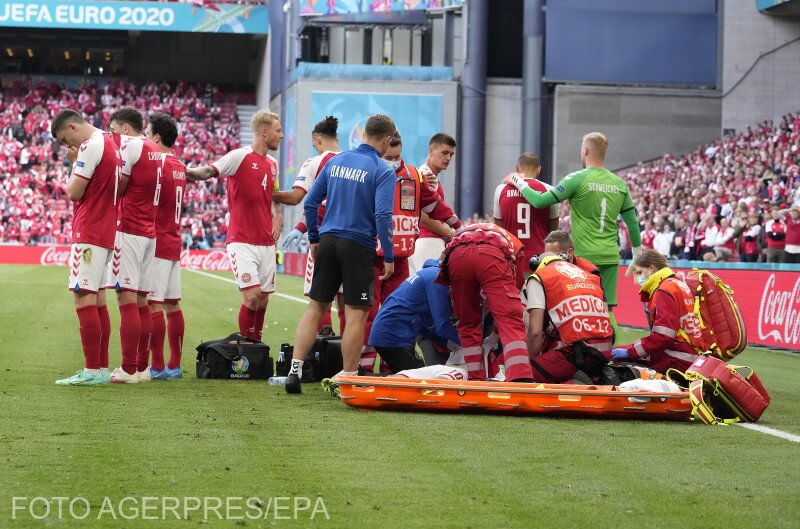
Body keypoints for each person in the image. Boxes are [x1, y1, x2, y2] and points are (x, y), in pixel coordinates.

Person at [285, 114, 397, 394]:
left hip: (328, 238)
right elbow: (383, 216)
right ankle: (347, 377)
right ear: (386, 140)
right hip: (358, 244)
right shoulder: (382, 170)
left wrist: (313, 238)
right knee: (356, 314)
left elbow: (310, 202)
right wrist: (390, 255)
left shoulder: (335, 160)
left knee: (315, 308)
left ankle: (294, 371)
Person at [503, 132, 642, 333]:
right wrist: (637, 254)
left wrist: (518, 181)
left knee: (582, 309)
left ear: (585, 151)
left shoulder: (577, 179)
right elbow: (633, 224)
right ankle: (610, 357)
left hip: (585, 257)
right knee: (606, 310)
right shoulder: (619, 184)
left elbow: (540, 201)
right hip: (610, 256)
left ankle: (582, 356)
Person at [359, 134, 461, 373]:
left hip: (402, 254)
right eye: (389, 157)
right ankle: (361, 368)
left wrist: (459, 226)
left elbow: (433, 204)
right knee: (369, 314)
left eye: (397, 157)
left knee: (398, 310)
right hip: (373, 255)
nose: (394, 161)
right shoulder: (370, 172)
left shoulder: (413, 174)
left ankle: (389, 366)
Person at [186, 109, 284, 341]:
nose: (281, 135)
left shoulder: (272, 164)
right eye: (278, 130)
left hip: (266, 241)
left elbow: (276, 194)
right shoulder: (239, 156)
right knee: (251, 296)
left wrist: (278, 216)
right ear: (264, 131)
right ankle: (246, 348)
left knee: (263, 299)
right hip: (241, 240)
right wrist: (187, 171)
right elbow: (210, 170)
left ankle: (255, 346)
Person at [51, 109, 121, 386]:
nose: (66, 145)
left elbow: (73, 192)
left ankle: (92, 370)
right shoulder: (110, 141)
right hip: (106, 228)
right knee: (98, 299)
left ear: (72, 126)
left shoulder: (90, 146)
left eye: (64, 138)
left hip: (89, 228)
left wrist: (74, 162)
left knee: (83, 299)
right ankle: (101, 368)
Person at [103, 108, 161, 384]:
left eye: (114, 129)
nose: (112, 134)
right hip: (149, 231)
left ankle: (127, 369)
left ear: (125, 128)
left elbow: (119, 186)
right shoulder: (154, 148)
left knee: (126, 298)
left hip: (129, 230)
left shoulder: (132, 147)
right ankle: (141, 367)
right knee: (141, 301)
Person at [437, 223, 534, 382]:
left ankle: (476, 379)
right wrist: (496, 331)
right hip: (492, 254)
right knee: (510, 319)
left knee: (467, 323)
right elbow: (512, 298)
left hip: (456, 255)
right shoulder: (512, 242)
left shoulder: (471, 231)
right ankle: (520, 378)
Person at [279, 116, 345, 333]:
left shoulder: (314, 163)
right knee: (349, 306)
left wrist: (268, 194)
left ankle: (322, 351)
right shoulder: (353, 160)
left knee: (319, 301)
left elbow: (300, 198)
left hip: (324, 239)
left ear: (317, 140)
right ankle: (351, 361)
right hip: (353, 241)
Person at [524, 253, 614, 383]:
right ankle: (580, 381)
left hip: (577, 352)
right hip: (605, 351)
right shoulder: (590, 276)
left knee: (525, 374)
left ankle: (576, 385)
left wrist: (526, 362)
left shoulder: (539, 277)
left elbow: (535, 332)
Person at [611, 250, 701, 374]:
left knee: (621, 366)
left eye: (639, 272)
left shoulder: (664, 290)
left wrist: (630, 351)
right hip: (691, 355)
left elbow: (663, 337)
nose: (638, 277)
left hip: (678, 359)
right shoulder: (677, 284)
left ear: (652, 268)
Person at [145, 112, 186, 380]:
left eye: (147, 134)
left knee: (153, 305)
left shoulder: (156, 165)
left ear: (156, 137)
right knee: (173, 305)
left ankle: (158, 366)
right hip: (173, 238)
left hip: (157, 240)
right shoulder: (180, 166)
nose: (145, 139)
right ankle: (175, 365)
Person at [368, 259, 459, 373]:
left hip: (387, 333)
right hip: (394, 336)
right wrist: (466, 342)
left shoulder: (430, 274)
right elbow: (442, 325)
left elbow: (427, 328)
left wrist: (449, 342)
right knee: (419, 383)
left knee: (410, 380)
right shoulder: (436, 278)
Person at [493, 152, 559, 289]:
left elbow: (499, 227)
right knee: (537, 304)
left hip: (512, 259)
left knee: (514, 303)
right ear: (539, 169)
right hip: (539, 260)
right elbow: (553, 230)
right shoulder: (549, 190)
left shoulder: (501, 189)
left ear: (517, 168)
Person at [409, 133, 457, 275]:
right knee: (432, 292)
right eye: (444, 153)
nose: (448, 158)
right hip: (428, 241)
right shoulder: (426, 177)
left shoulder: (423, 176)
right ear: (431, 151)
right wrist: (449, 233)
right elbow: (421, 214)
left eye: (451, 154)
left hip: (422, 242)